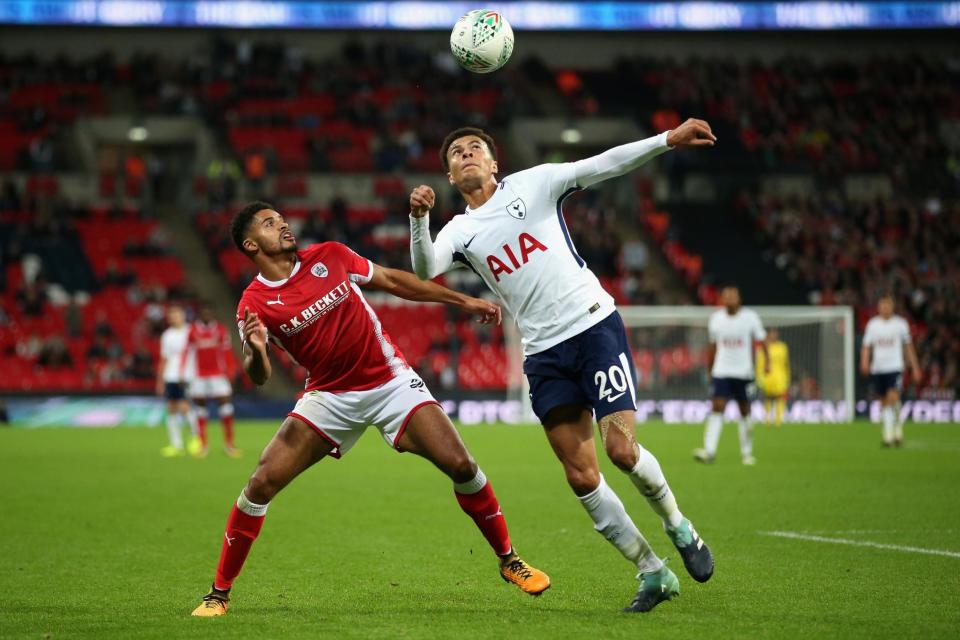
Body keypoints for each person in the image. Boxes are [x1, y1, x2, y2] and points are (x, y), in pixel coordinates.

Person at [408, 120, 716, 613]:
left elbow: (602, 164)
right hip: (543, 354)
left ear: (493, 162)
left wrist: (666, 140)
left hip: (593, 327)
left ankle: (680, 526)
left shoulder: (535, 183)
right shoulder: (459, 231)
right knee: (580, 476)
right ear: (448, 175)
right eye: (456, 153)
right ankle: (652, 572)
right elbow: (426, 269)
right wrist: (419, 220)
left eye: (475, 148)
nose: (465, 154)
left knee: (620, 449)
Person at [191, 202, 549, 618]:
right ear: (251, 244)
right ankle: (219, 593)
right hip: (330, 396)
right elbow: (258, 375)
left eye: (281, 218)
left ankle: (509, 560)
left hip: (390, 381)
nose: (284, 224)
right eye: (270, 224)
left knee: (462, 464)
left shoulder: (330, 255)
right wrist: (254, 351)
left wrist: (463, 302)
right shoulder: (253, 303)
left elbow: (395, 281)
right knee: (261, 482)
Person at [695, 286, 768, 466]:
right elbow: (713, 346)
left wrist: (767, 362)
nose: (729, 299)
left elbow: (761, 340)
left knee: (745, 410)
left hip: (744, 372)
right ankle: (709, 451)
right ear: (722, 300)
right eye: (726, 296)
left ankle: (747, 453)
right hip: (722, 371)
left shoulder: (750, 317)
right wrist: (710, 369)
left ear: (739, 299)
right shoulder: (716, 319)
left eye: (732, 296)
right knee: (717, 407)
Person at [860, 294, 921, 447]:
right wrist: (865, 362)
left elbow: (908, 347)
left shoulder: (900, 324)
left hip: (895, 367)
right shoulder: (873, 325)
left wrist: (915, 367)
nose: (884, 308)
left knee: (892, 397)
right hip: (878, 368)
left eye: (887, 304)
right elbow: (867, 346)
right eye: (882, 305)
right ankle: (888, 434)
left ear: (892, 306)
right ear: (878, 306)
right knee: (884, 402)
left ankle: (895, 431)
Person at [185, 304, 239, 458]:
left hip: (218, 375)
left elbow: (227, 352)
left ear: (213, 315)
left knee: (226, 407)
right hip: (199, 376)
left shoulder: (221, 330)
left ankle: (229, 445)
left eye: (209, 313)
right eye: (204, 313)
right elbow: (188, 354)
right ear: (200, 315)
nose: (207, 315)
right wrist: (186, 374)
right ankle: (203, 446)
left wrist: (231, 371)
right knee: (201, 410)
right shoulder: (192, 331)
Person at [156, 305, 201, 457]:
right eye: (171, 315)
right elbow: (164, 358)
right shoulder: (167, 335)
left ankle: (197, 439)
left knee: (185, 406)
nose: (174, 317)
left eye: (176, 314)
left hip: (187, 375)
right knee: (171, 408)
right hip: (170, 375)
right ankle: (176, 445)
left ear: (183, 315)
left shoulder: (191, 331)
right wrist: (160, 379)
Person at [756, 328, 790, 426]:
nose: (774, 335)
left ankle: (779, 420)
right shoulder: (763, 347)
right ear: (768, 334)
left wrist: (788, 376)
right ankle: (768, 419)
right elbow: (759, 364)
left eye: (776, 333)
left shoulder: (782, 347)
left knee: (780, 397)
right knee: (768, 398)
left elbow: (786, 363)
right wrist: (759, 377)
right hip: (768, 377)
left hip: (780, 376)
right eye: (772, 333)